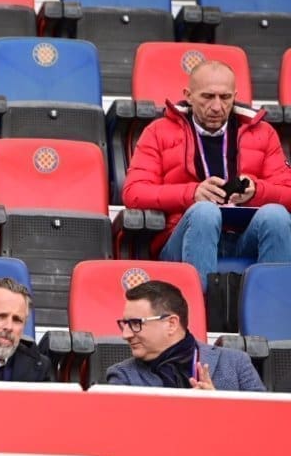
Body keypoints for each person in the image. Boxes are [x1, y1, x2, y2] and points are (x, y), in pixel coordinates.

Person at [122, 60, 291, 290]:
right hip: (185, 237)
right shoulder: (158, 131)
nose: (217, 106)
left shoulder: (263, 132)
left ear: (235, 96)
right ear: (188, 96)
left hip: (244, 236)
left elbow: (287, 192)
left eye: (225, 97)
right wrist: (192, 193)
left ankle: (275, 307)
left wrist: (257, 191)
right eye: (208, 97)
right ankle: (199, 306)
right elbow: (133, 193)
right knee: (205, 212)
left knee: (276, 216)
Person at [106, 280, 264, 391]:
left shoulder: (236, 363)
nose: (125, 334)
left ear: (171, 324)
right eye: (124, 324)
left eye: (135, 323)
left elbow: (263, 422)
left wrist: (218, 408)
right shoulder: (122, 376)